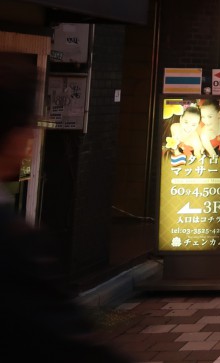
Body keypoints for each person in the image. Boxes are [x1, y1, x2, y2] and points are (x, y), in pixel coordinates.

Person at [0, 60, 134, 362]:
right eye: (30, 125)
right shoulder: (15, 241)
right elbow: (68, 342)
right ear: (14, 135)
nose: (32, 138)